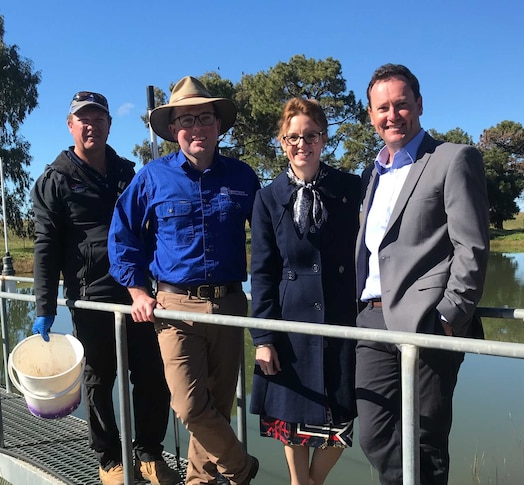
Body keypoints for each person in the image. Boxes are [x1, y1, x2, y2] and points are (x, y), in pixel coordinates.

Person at [108, 76, 261, 485]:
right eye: (187, 119)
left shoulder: (244, 178)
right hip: (175, 308)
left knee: (217, 408)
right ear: (174, 129)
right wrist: (138, 291)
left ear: (218, 126)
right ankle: (242, 468)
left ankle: (200, 481)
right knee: (191, 408)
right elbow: (122, 235)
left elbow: (271, 241)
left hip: (230, 304)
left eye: (205, 117)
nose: (197, 127)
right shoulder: (152, 177)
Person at [30, 91, 179, 485]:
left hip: (138, 292)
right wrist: (45, 304)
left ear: (110, 125)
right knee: (100, 377)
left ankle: (148, 452)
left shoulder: (128, 173)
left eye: (99, 118)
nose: (91, 125)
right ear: (70, 126)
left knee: (151, 372)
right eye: (84, 119)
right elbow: (45, 245)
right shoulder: (55, 180)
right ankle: (110, 458)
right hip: (90, 295)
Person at [355, 64, 490, 485]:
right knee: (374, 434)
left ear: (419, 104)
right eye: (382, 108)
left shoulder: (452, 158)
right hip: (372, 321)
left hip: (428, 322)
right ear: (371, 115)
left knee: (427, 439)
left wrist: (451, 317)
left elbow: (472, 245)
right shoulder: (372, 173)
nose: (392, 115)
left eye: (400, 104)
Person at [249, 98, 359, 485]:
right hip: (290, 324)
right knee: (291, 415)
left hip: (341, 320)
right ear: (282, 142)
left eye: (310, 135)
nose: (302, 144)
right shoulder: (267, 198)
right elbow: (262, 271)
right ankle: (300, 482)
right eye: (292, 137)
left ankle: (313, 482)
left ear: (323, 138)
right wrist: (263, 338)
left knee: (340, 413)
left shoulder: (350, 188)